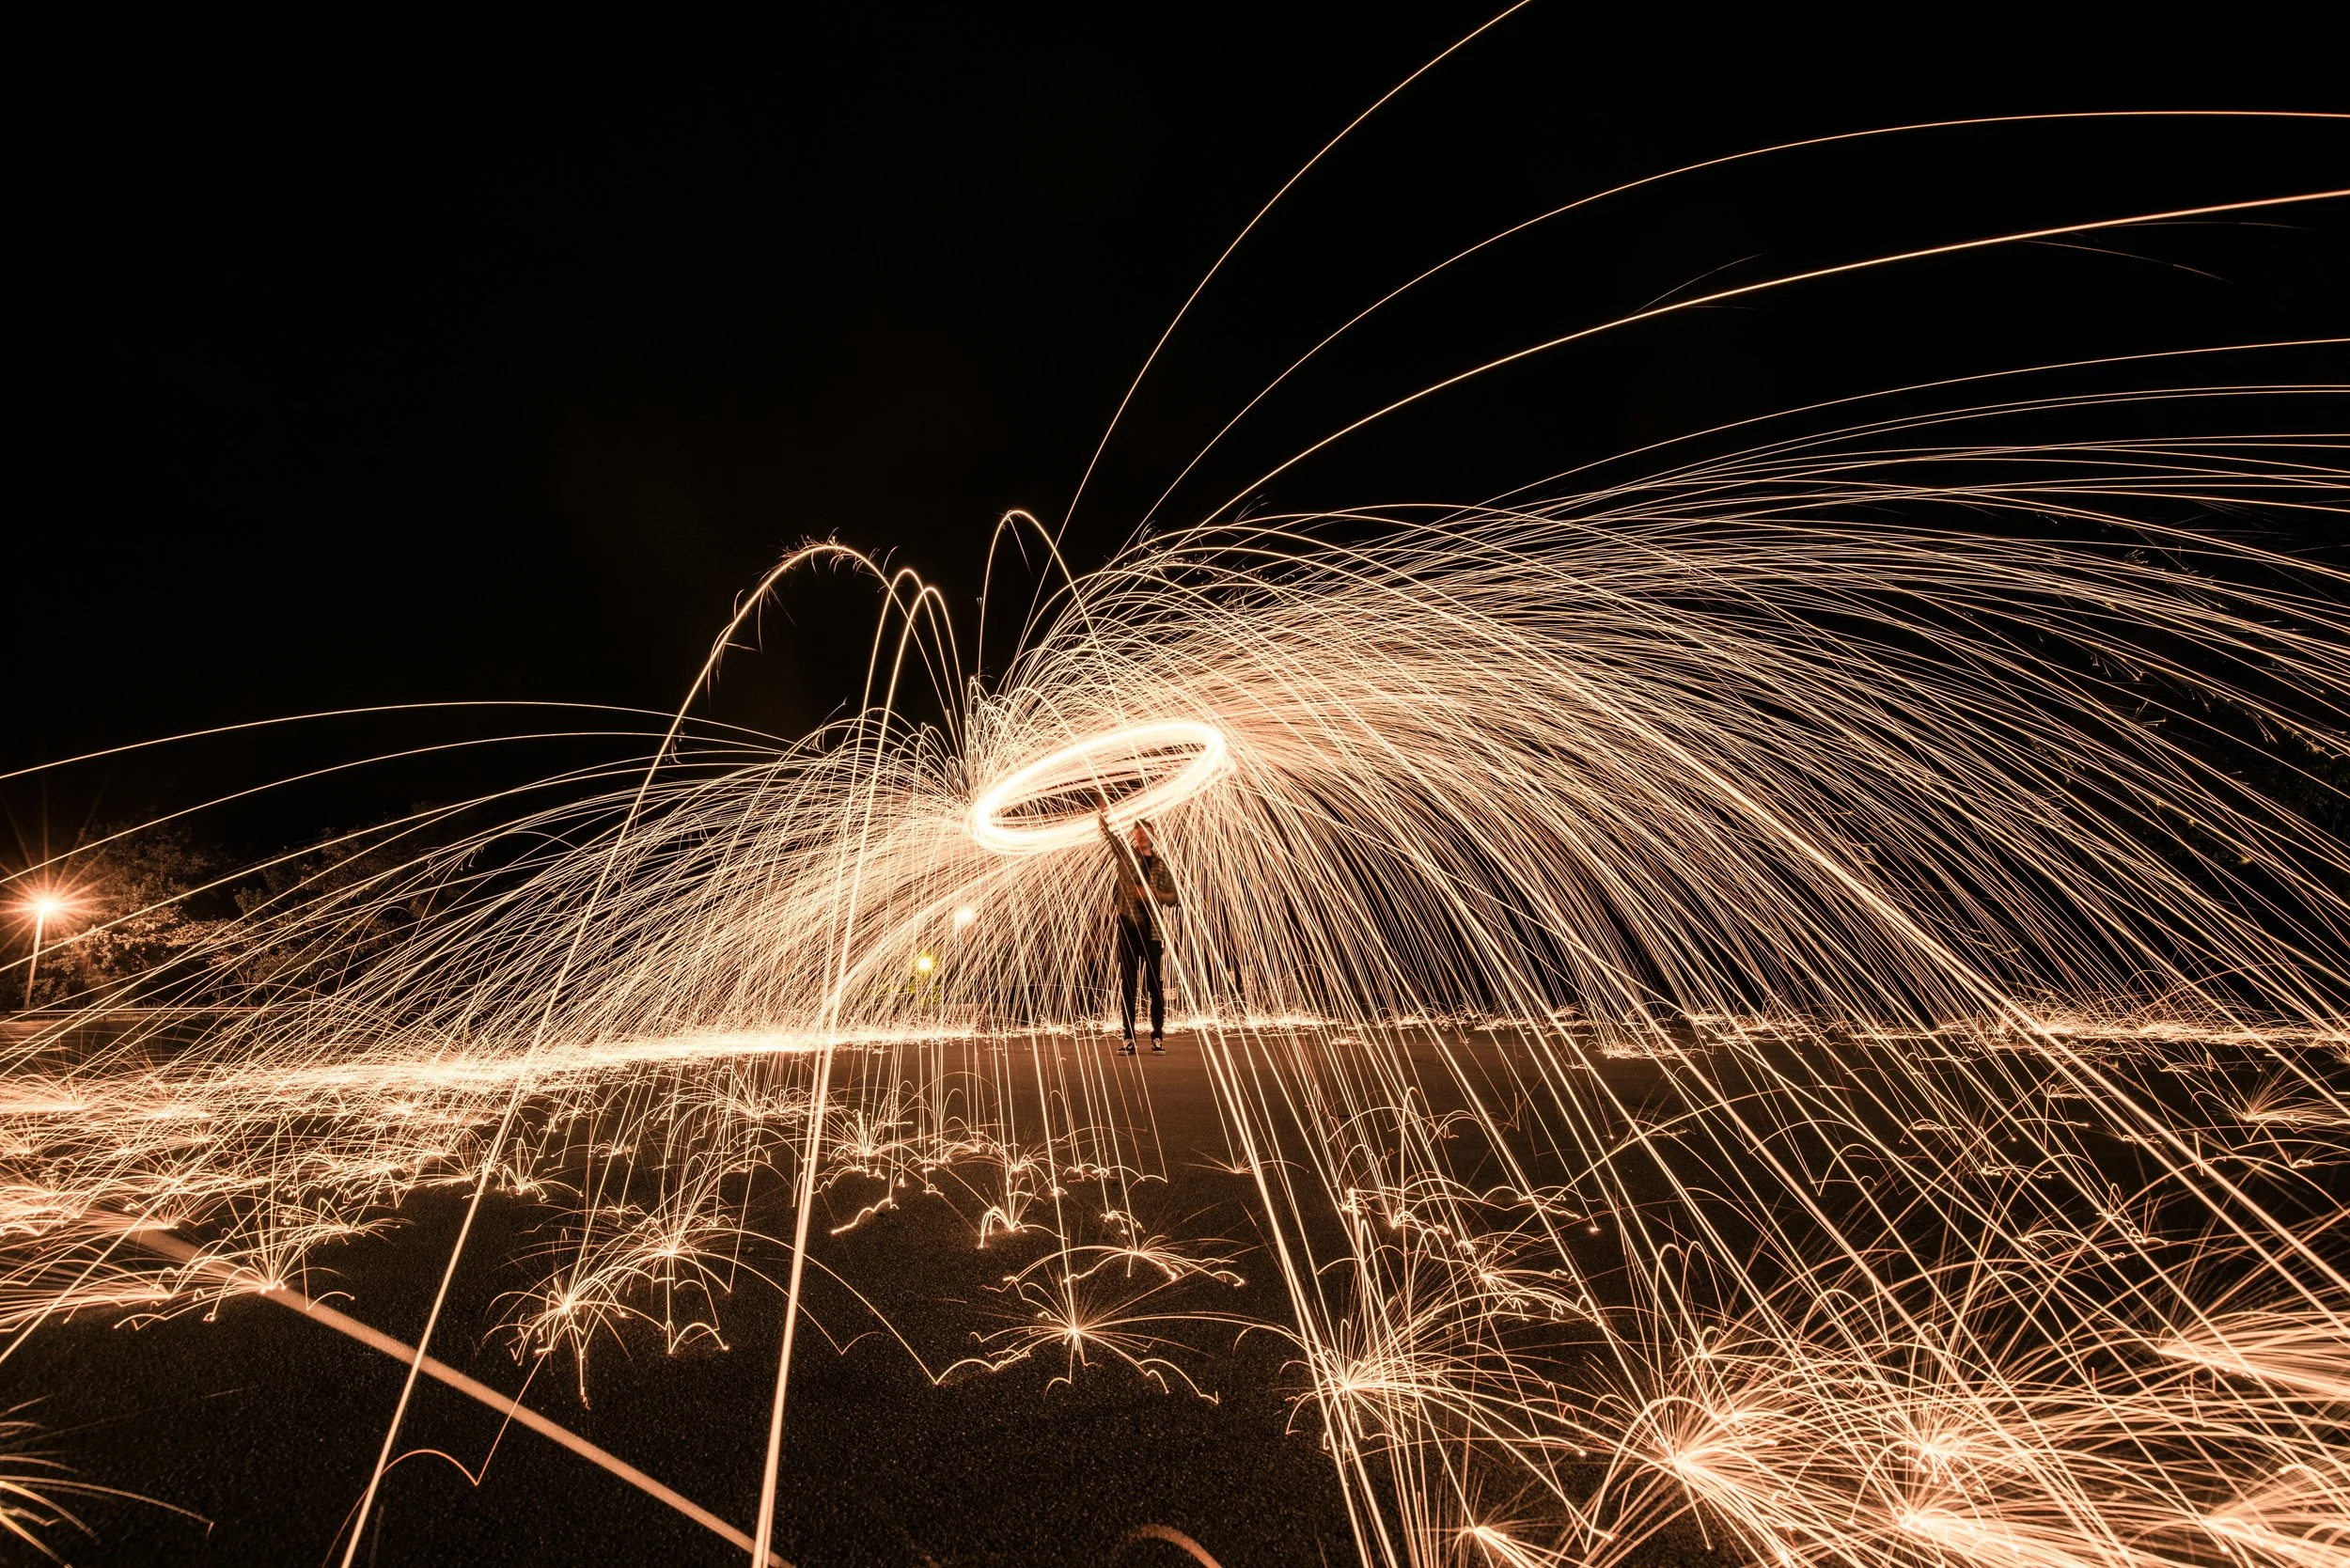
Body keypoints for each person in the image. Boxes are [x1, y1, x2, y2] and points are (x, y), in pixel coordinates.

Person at [1098, 805, 1179, 1054]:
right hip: (1127, 928)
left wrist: (1152, 893)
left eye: (1146, 831)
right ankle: (1129, 1038)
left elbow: (1174, 898)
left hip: (1152, 930)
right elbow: (1109, 837)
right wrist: (1102, 817)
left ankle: (1157, 1037)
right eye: (1138, 831)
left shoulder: (1160, 864)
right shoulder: (1125, 856)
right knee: (1128, 986)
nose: (1142, 835)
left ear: (1152, 836)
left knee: (1155, 986)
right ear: (1134, 835)